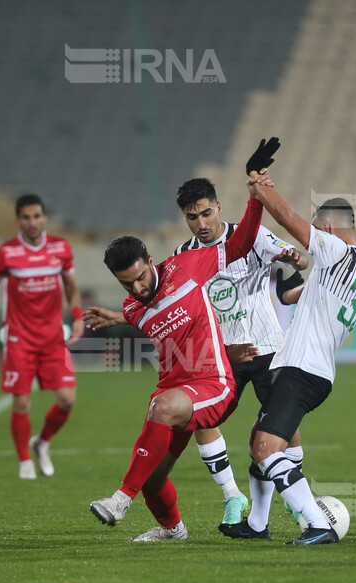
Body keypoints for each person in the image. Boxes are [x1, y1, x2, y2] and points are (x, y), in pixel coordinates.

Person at [83, 151, 274, 542]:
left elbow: (238, 245)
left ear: (151, 261)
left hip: (211, 385)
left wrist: (255, 196)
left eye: (139, 277)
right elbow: (164, 325)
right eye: (126, 284)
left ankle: (120, 500)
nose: (136, 288)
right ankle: (173, 530)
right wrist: (117, 316)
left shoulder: (187, 267)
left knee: (163, 406)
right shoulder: (132, 307)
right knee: (154, 477)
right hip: (175, 388)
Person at [218, 160, 356, 546]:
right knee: (260, 437)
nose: (315, 235)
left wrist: (260, 187)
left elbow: (287, 217)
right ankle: (255, 524)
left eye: (319, 228)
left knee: (265, 448)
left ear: (331, 228)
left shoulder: (336, 251)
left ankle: (317, 521)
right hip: (315, 371)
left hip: (301, 368)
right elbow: (296, 296)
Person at [172, 175, 308, 528]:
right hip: (222, 355)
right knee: (200, 418)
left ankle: (297, 496)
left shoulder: (251, 234)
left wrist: (291, 257)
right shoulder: (182, 257)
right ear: (184, 219)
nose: (201, 224)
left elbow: (300, 262)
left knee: (284, 427)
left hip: (266, 348)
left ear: (218, 207)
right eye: (192, 217)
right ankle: (233, 495)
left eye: (205, 213)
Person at [0, 194, 83, 480]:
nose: (32, 222)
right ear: (18, 220)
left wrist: (79, 316)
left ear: (45, 218)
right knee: (21, 403)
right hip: (19, 337)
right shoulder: (6, 253)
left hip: (52, 337)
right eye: (26, 217)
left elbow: (71, 285)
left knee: (67, 400)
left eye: (37, 216)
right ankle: (24, 461)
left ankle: (42, 442)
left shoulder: (61, 248)